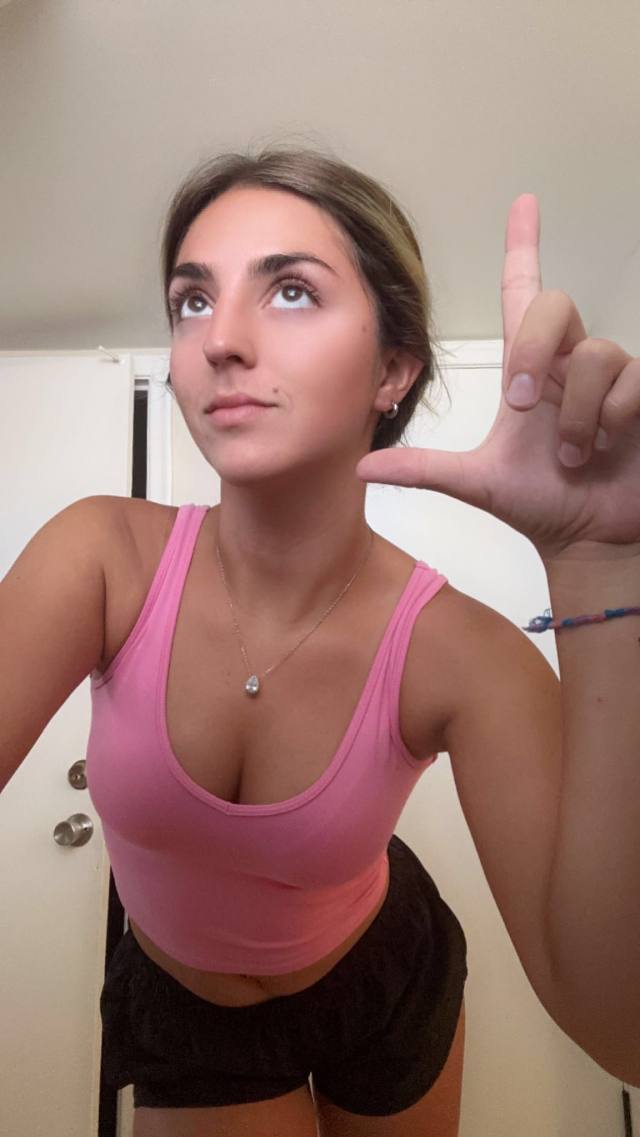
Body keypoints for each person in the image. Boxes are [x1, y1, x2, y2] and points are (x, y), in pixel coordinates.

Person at [3, 147, 639, 1136]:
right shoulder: (99, 556)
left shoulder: (459, 653)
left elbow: (621, 1033)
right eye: (192, 301)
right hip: (188, 1018)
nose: (221, 340)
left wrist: (602, 567)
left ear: (394, 368)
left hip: (384, 979)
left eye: (292, 290)